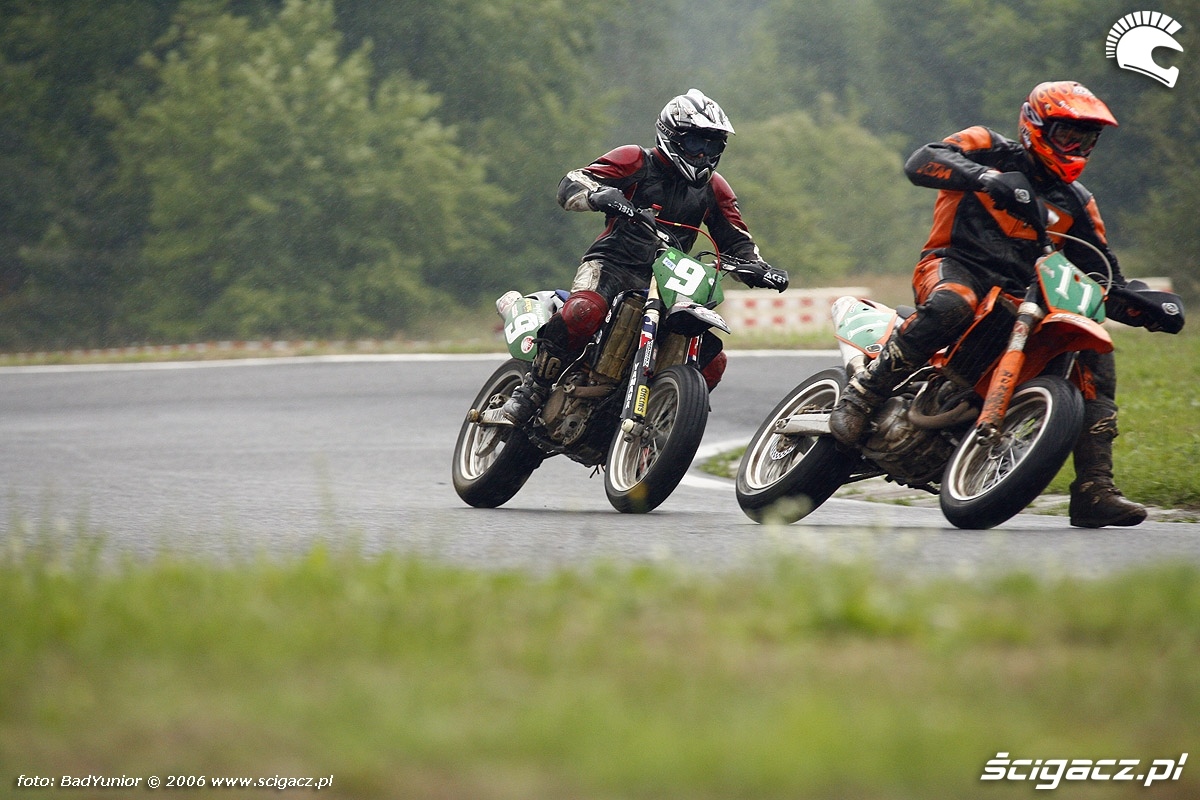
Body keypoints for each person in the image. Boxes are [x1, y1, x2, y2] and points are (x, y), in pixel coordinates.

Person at [827, 80, 1145, 529]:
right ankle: (864, 393)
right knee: (954, 304)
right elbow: (922, 161)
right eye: (1066, 136)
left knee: (1093, 354)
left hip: (1024, 299)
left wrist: (1143, 304)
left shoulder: (1079, 202)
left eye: (1085, 140)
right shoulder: (986, 146)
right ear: (1035, 126)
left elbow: (1102, 273)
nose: (1076, 148)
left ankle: (1095, 487)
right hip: (953, 266)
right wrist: (986, 178)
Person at [503, 88, 788, 425]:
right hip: (613, 264)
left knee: (713, 360)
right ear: (672, 136)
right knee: (584, 310)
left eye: (713, 146)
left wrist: (758, 268)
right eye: (696, 142)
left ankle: (664, 422)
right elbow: (574, 182)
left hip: (670, 281)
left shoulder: (715, 188)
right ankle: (534, 387)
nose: (703, 153)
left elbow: (737, 240)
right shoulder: (635, 159)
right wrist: (600, 195)